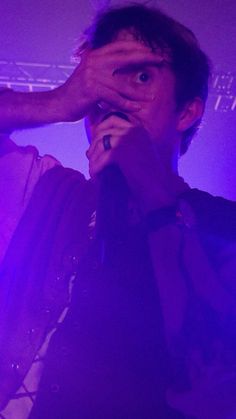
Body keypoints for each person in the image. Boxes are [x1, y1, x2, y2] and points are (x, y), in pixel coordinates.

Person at [0, 3, 236, 418]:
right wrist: (55, 103)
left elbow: (209, 373)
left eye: (141, 75)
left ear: (187, 111)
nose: (113, 95)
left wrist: (153, 190)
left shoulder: (222, 226)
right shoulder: (45, 186)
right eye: (104, 75)